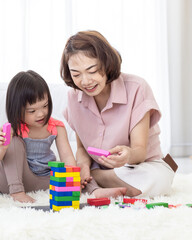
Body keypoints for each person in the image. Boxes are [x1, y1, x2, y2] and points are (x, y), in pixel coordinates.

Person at [60, 30, 177, 198]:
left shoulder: (137, 87)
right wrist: (83, 166)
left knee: (157, 179)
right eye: (76, 74)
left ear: (107, 63)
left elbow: (139, 151)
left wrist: (127, 155)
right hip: (98, 166)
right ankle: (96, 181)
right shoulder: (73, 96)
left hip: (140, 166)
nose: (85, 81)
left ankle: (96, 181)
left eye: (92, 70)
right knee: (69, 174)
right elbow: (81, 148)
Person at [0, 70, 77, 203]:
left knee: (78, 174)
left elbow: (67, 157)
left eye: (45, 106)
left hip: (42, 180)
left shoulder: (57, 127)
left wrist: (72, 182)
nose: (41, 114)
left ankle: (96, 190)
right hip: (12, 182)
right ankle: (17, 193)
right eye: (32, 111)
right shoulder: (13, 129)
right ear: (16, 109)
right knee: (14, 142)